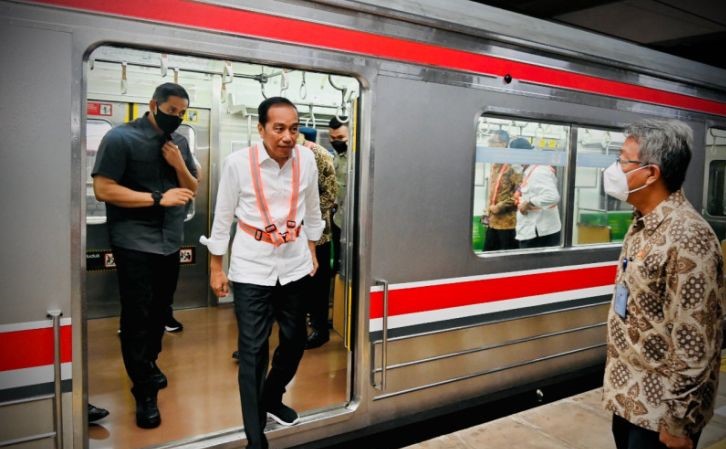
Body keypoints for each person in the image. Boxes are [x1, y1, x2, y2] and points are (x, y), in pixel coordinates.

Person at [201, 97, 324, 449]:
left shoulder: (308, 160)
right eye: (279, 128)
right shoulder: (238, 164)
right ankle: (256, 439)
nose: (288, 137)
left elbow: (312, 210)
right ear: (261, 129)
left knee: (295, 340)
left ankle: (271, 396)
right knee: (253, 351)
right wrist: (215, 267)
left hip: (296, 262)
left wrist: (312, 250)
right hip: (252, 266)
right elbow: (222, 218)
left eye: (294, 129)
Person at [602, 119, 724, 449]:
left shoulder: (688, 238)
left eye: (622, 160)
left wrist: (679, 422)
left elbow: (695, 341)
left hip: (660, 415)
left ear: (651, 173)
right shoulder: (643, 222)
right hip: (630, 398)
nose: (613, 169)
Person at [92, 82, 198, 429]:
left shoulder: (178, 142)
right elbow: (103, 189)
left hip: (169, 240)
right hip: (134, 241)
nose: (177, 119)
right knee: (137, 317)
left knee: (160, 311)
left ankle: (149, 364)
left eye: (182, 114)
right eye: (171, 112)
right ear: (154, 105)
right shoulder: (120, 138)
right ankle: (143, 391)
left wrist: (178, 162)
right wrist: (157, 198)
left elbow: (192, 187)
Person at [297, 127, 337, 349]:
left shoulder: (319, 155)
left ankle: (320, 330)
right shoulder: (287, 155)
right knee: (298, 286)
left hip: (317, 233)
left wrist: (301, 215)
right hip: (291, 235)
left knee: (317, 286)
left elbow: (329, 196)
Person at [511, 137, 561, 248]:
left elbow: (552, 196)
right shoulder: (530, 171)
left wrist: (528, 203)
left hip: (540, 233)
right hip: (533, 230)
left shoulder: (539, 171)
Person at [483, 130, 520, 251]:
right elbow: (494, 191)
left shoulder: (513, 165)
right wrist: (487, 210)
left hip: (507, 225)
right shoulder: (494, 165)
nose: (489, 145)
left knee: (506, 262)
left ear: (503, 144)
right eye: (489, 141)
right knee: (487, 256)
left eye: (493, 142)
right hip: (492, 222)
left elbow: (520, 192)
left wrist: (501, 206)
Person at [328, 117, 349, 273]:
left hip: (352, 223)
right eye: (333, 138)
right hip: (338, 219)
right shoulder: (337, 156)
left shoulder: (357, 159)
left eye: (341, 138)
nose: (336, 142)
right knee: (338, 264)